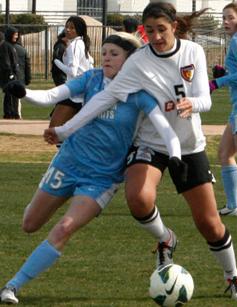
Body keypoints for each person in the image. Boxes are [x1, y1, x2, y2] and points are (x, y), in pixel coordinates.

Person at [39, 2, 237, 299]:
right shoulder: (138, 62)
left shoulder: (193, 52)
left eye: (161, 30)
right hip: (150, 142)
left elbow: (205, 99)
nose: (156, 37)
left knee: (209, 223)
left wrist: (191, 104)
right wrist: (63, 130)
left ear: (174, 27)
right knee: (138, 198)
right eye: (149, 31)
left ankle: (233, 276)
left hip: (189, 146)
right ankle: (165, 239)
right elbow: (105, 98)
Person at [0, 32, 185, 304]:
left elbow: (166, 130)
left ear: (130, 60)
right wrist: (25, 93)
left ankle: (12, 286)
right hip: (68, 163)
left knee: (64, 228)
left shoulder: (140, 95)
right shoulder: (92, 79)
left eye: (114, 54)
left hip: (101, 178)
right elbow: (54, 94)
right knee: (30, 224)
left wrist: (176, 157)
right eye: (105, 52)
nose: (106, 58)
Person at [209, 2, 237, 217]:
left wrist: (218, 82)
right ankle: (233, 206)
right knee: (224, 153)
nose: (226, 22)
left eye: (230, 18)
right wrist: (224, 71)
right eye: (224, 17)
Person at [50, 16, 94, 128]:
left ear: (79, 30)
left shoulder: (75, 45)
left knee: (54, 129)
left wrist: (57, 63)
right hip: (83, 91)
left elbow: (73, 72)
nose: (68, 30)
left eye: (72, 27)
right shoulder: (79, 43)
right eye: (67, 26)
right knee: (71, 131)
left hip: (75, 92)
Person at [0, 26, 19, 119]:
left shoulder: (11, 45)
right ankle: (8, 113)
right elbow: (6, 61)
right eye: (15, 35)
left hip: (13, 74)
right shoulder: (5, 45)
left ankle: (14, 112)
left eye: (17, 35)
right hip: (8, 75)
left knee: (13, 95)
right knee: (9, 94)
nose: (16, 36)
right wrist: (10, 73)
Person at [13, 32, 31, 119]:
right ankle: (17, 115)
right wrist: (28, 79)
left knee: (8, 97)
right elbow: (27, 65)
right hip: (20, 77)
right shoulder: (23, 50)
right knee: (17, 98)